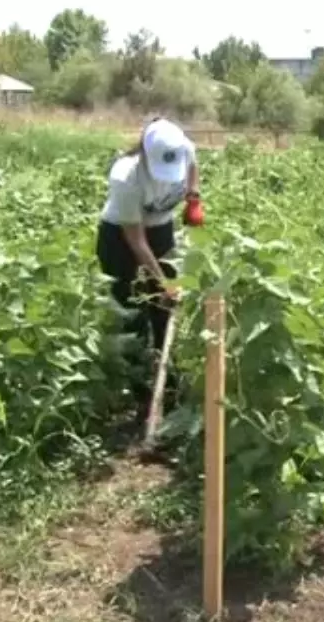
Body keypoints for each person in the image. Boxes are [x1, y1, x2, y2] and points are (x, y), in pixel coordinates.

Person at [95, 117, 203, 423]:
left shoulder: (182, 148)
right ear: (145, 153)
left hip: (161, 230)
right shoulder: (125, 176)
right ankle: (138, 393)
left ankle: (166, 383)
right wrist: (163, 282)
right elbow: (136, 241)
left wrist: (193, 197)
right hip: (121, 237)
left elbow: (193, 166)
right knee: (131, 311)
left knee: (163, 311)